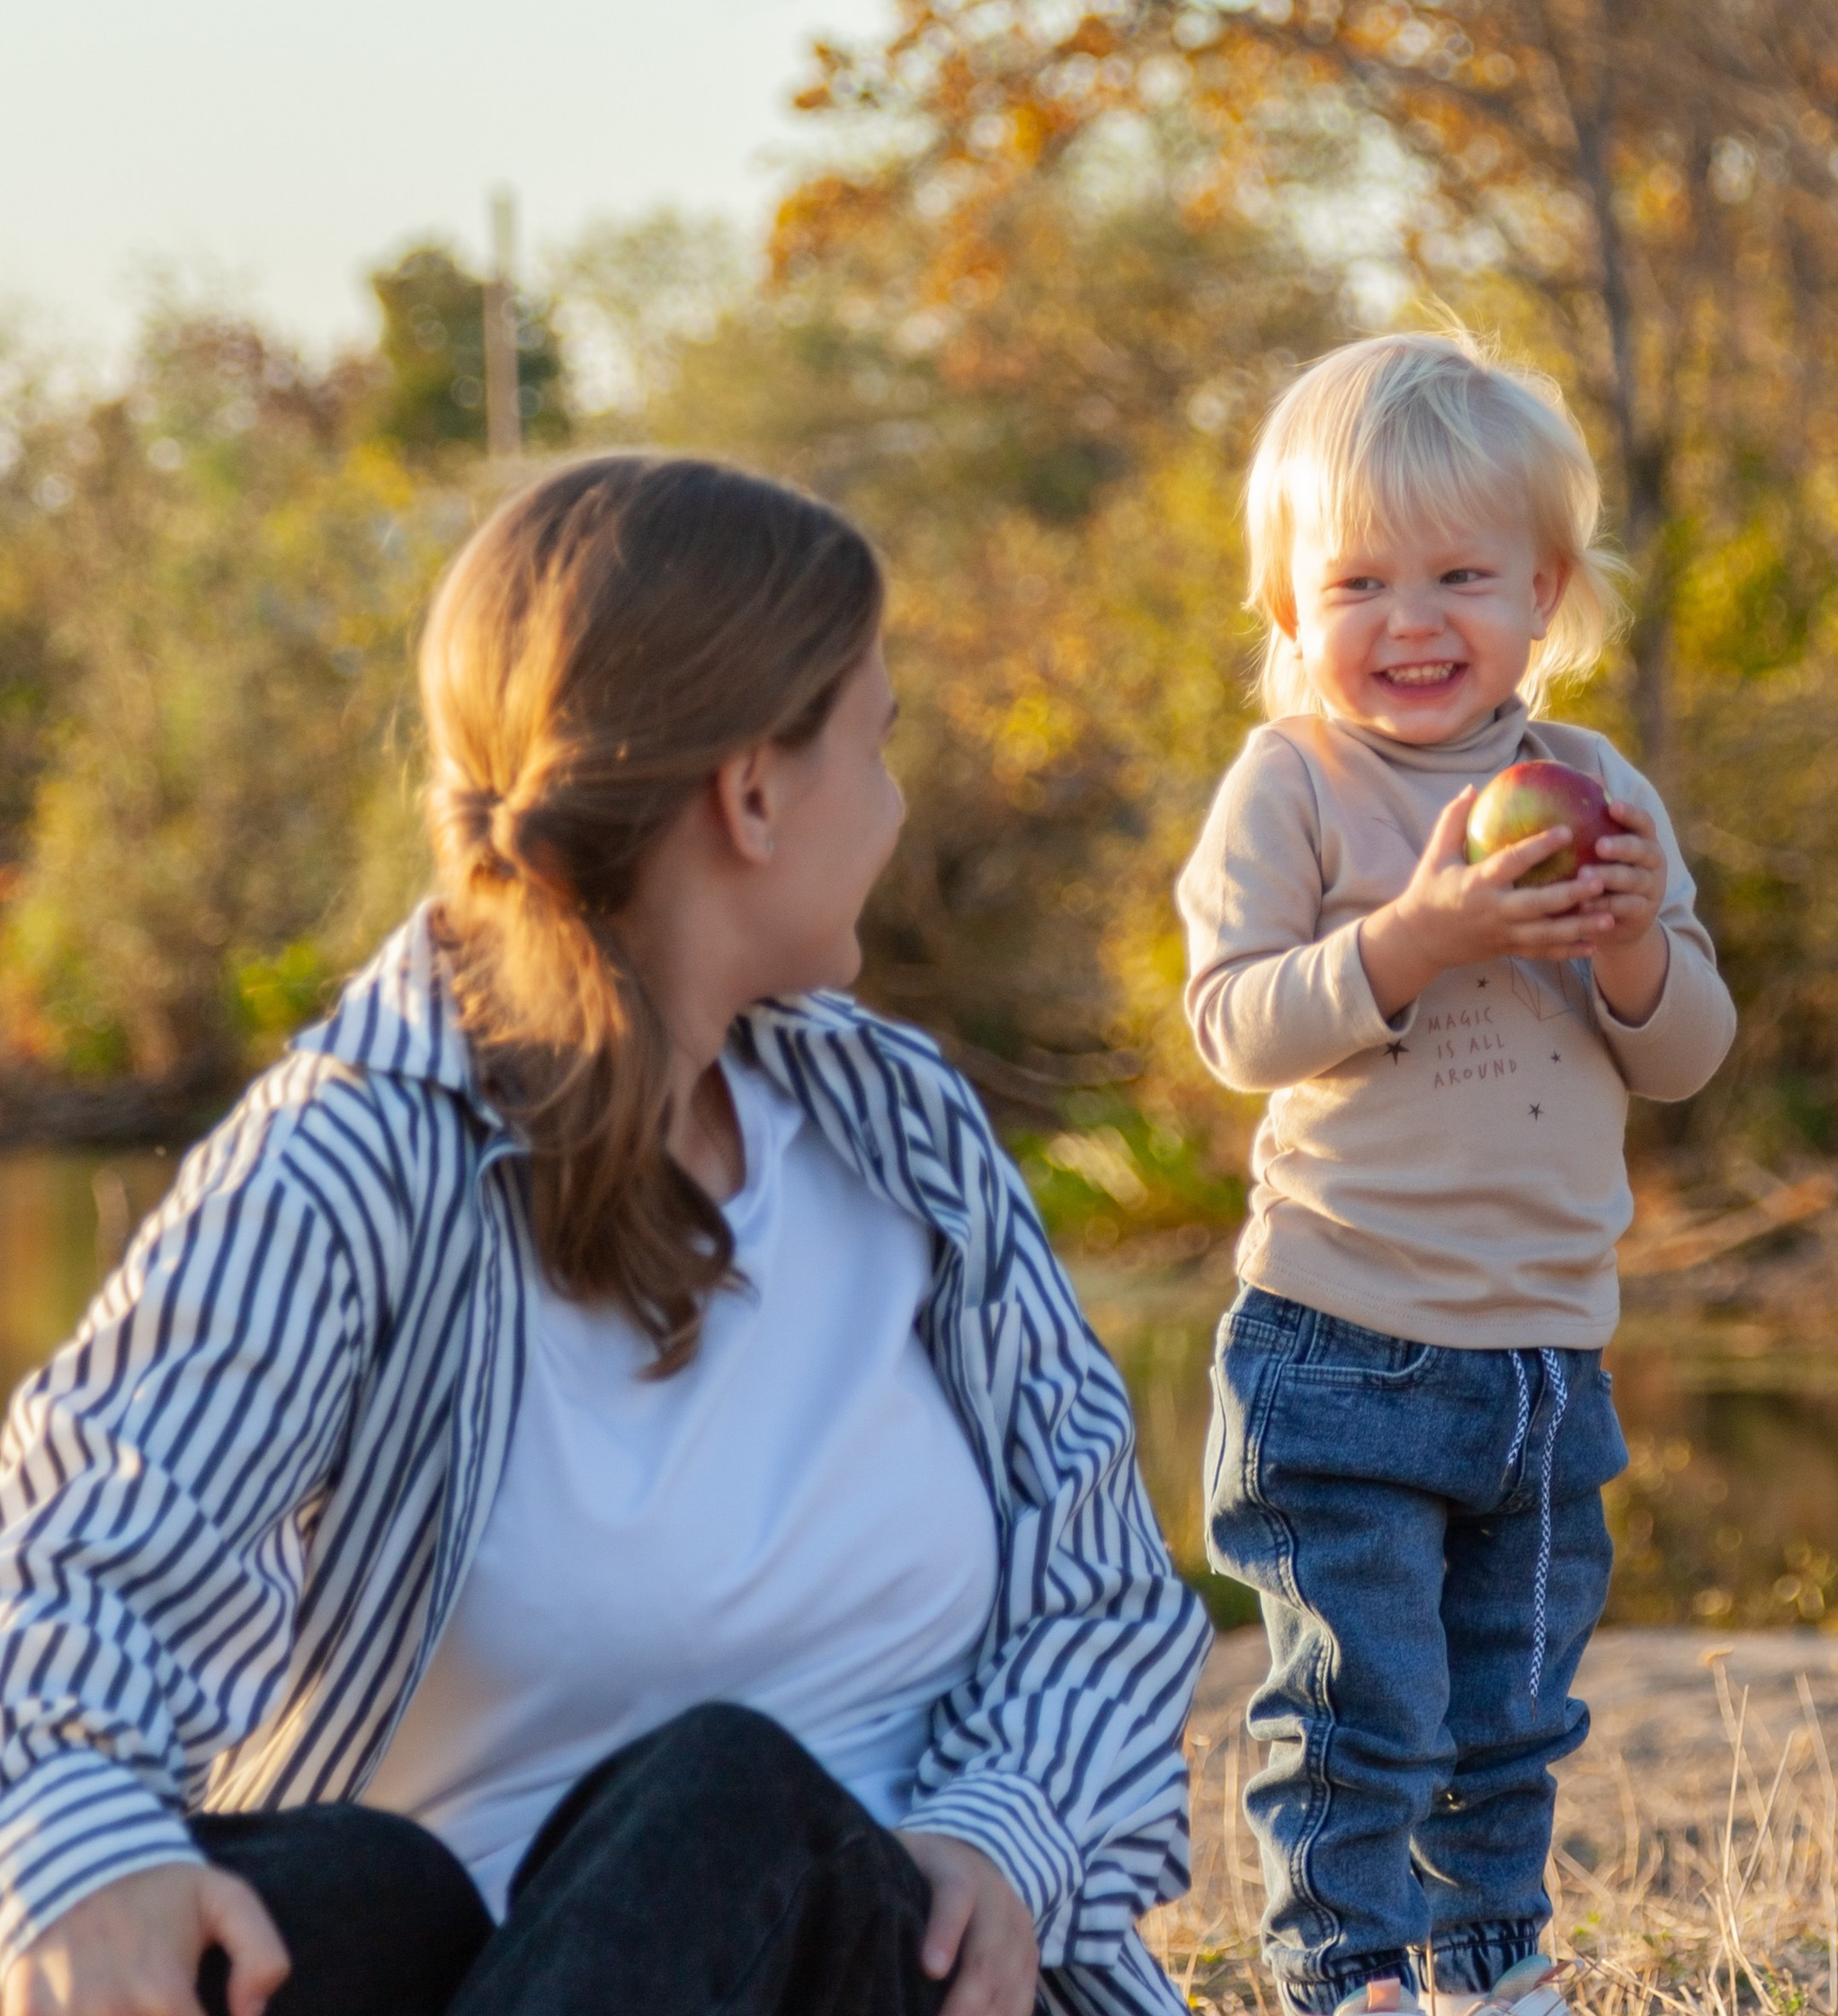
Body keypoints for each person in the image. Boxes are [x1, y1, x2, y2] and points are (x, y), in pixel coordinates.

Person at [0, 455, 1209, 2016]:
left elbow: (1101, 1590)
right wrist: (88, 1848)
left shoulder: (907, 1135)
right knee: (350, 1888)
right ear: (754, 793)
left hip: (886, 1967)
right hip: (504, 1977)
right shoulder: (358, 1156)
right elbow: (82, 1537)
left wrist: (1005, 1831)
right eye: (878, 742)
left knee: (724, 1798)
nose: (896, 805)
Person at [1176, 336, 1736, 2016]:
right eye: (1357, 581)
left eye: (1461, 576)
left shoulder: (1598, 793)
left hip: (1549, 1353)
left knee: (1511, 1702)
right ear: (1286, 609)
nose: (1410, 620)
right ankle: (1345, 1972)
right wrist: (1414, 937)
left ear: (1546, 595)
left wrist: (1633, 936)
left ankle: (1490, 1963)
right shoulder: (1293, 783)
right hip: (1340, 1332)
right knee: (1357, 1704)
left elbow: (1686, 1048)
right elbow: (1233, 1025)